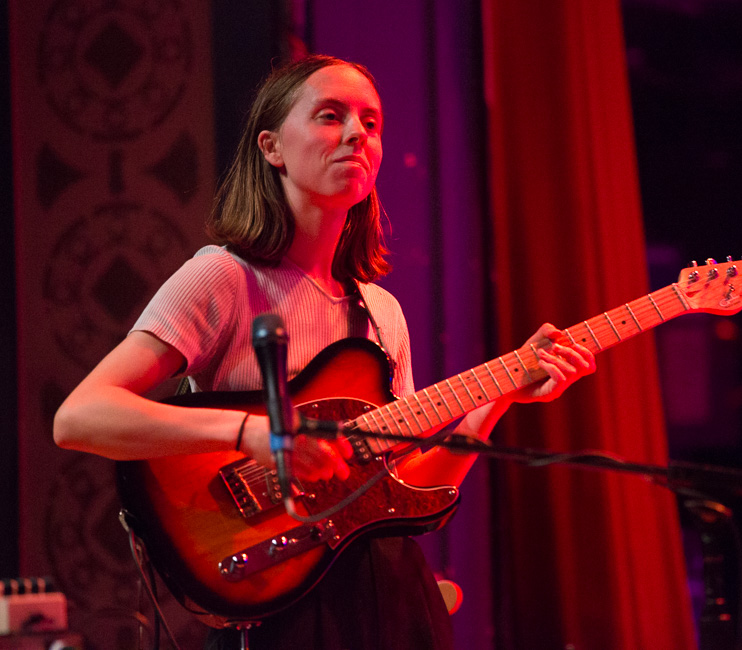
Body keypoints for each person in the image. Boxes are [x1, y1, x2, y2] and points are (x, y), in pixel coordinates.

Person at [53, 54, 595, 648]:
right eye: (330, 116)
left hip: (388, 596)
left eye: (371, 122)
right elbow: (80, 417)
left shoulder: (381, 312)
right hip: (279, 605)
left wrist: (500, 397)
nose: (357, 134)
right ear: (272, 147)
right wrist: (251, 434)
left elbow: (406, 490)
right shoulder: (223, 278)